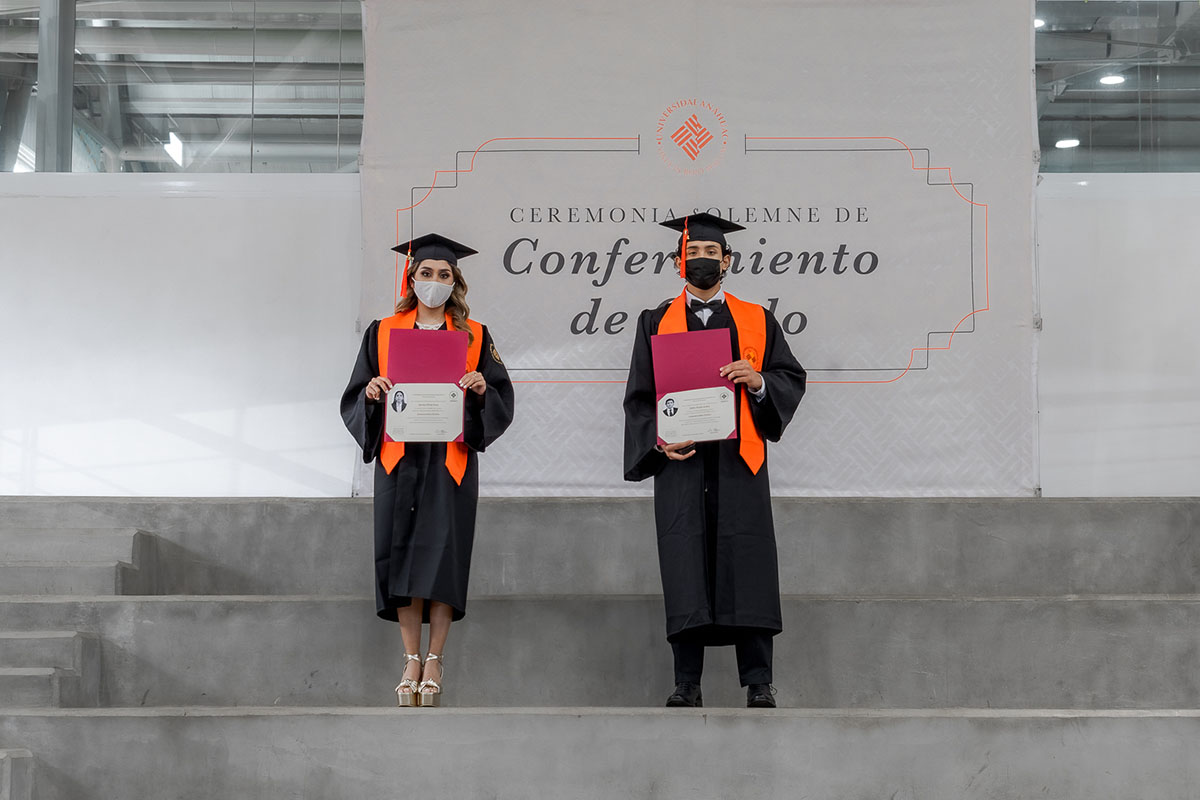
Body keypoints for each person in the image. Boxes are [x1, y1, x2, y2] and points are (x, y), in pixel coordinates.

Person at [622, 212, 807, 708]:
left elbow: (790, 377)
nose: (701, 261)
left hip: (737, 462)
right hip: (683, 464)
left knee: (747, 565)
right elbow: (641, 398)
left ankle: (760, 681)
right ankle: (687, 682)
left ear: (728, 260)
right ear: (678, 260)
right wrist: (659, 444)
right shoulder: (654, 321)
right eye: (693, 254)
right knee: (686, 567)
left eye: (711, 253)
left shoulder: (757, 319)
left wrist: (761, 381)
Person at [340, 233, 514, 708]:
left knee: (443, 556)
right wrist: (373, 393)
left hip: (450, 459)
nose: (434, 282)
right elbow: (355, 396)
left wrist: (481, 389)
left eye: (444, 274)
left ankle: (435, 657)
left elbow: (501, 399)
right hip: (401, 459)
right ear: (411, 278)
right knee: (401, 556)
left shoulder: (475, 335)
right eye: (426, 274)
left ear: (454, 280)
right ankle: (410, 657)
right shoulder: (381, 332)